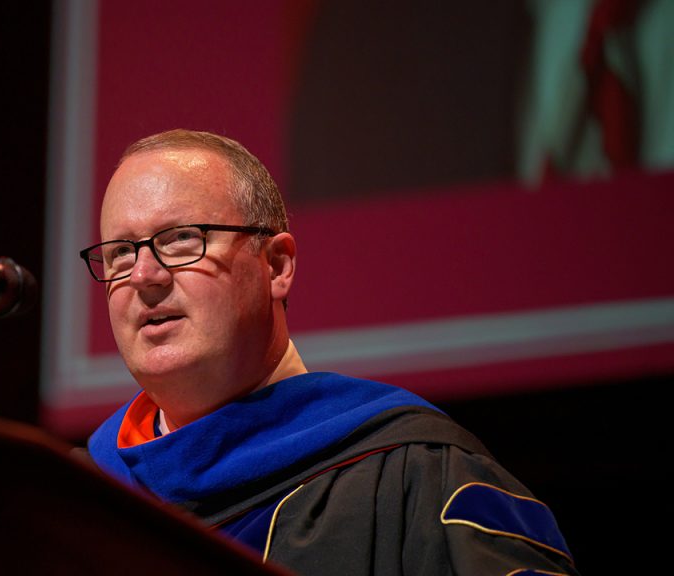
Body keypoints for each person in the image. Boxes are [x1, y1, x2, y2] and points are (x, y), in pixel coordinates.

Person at [79, 129, 578, 575]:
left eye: (181, 240)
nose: (143, 275)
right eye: (121, 252)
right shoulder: (78, 500)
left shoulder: (418, 477)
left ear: (276, 267)